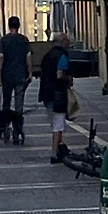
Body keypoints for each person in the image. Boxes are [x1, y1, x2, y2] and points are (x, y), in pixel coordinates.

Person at [39, 30, 74, 163]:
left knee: (55, 123)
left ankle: (61, 147)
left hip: (46, 94)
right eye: (67, 41)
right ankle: (54, 154)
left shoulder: (47, 55)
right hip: (58, 95)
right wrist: (68, 78)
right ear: (62, 42)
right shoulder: (62, 56)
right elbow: (60, 74)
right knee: (58, 126)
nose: (68, 43)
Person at [0, 16, 32, 143]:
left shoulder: (4, 40)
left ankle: (5, 130)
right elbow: (28, 56)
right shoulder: (24, 40)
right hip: (20, 75)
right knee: (19, 106)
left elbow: (1, 57)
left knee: (6, 104)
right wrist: (30, 72)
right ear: (19, 26)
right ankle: (17, 132)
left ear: (8, 26)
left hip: (7, 76)